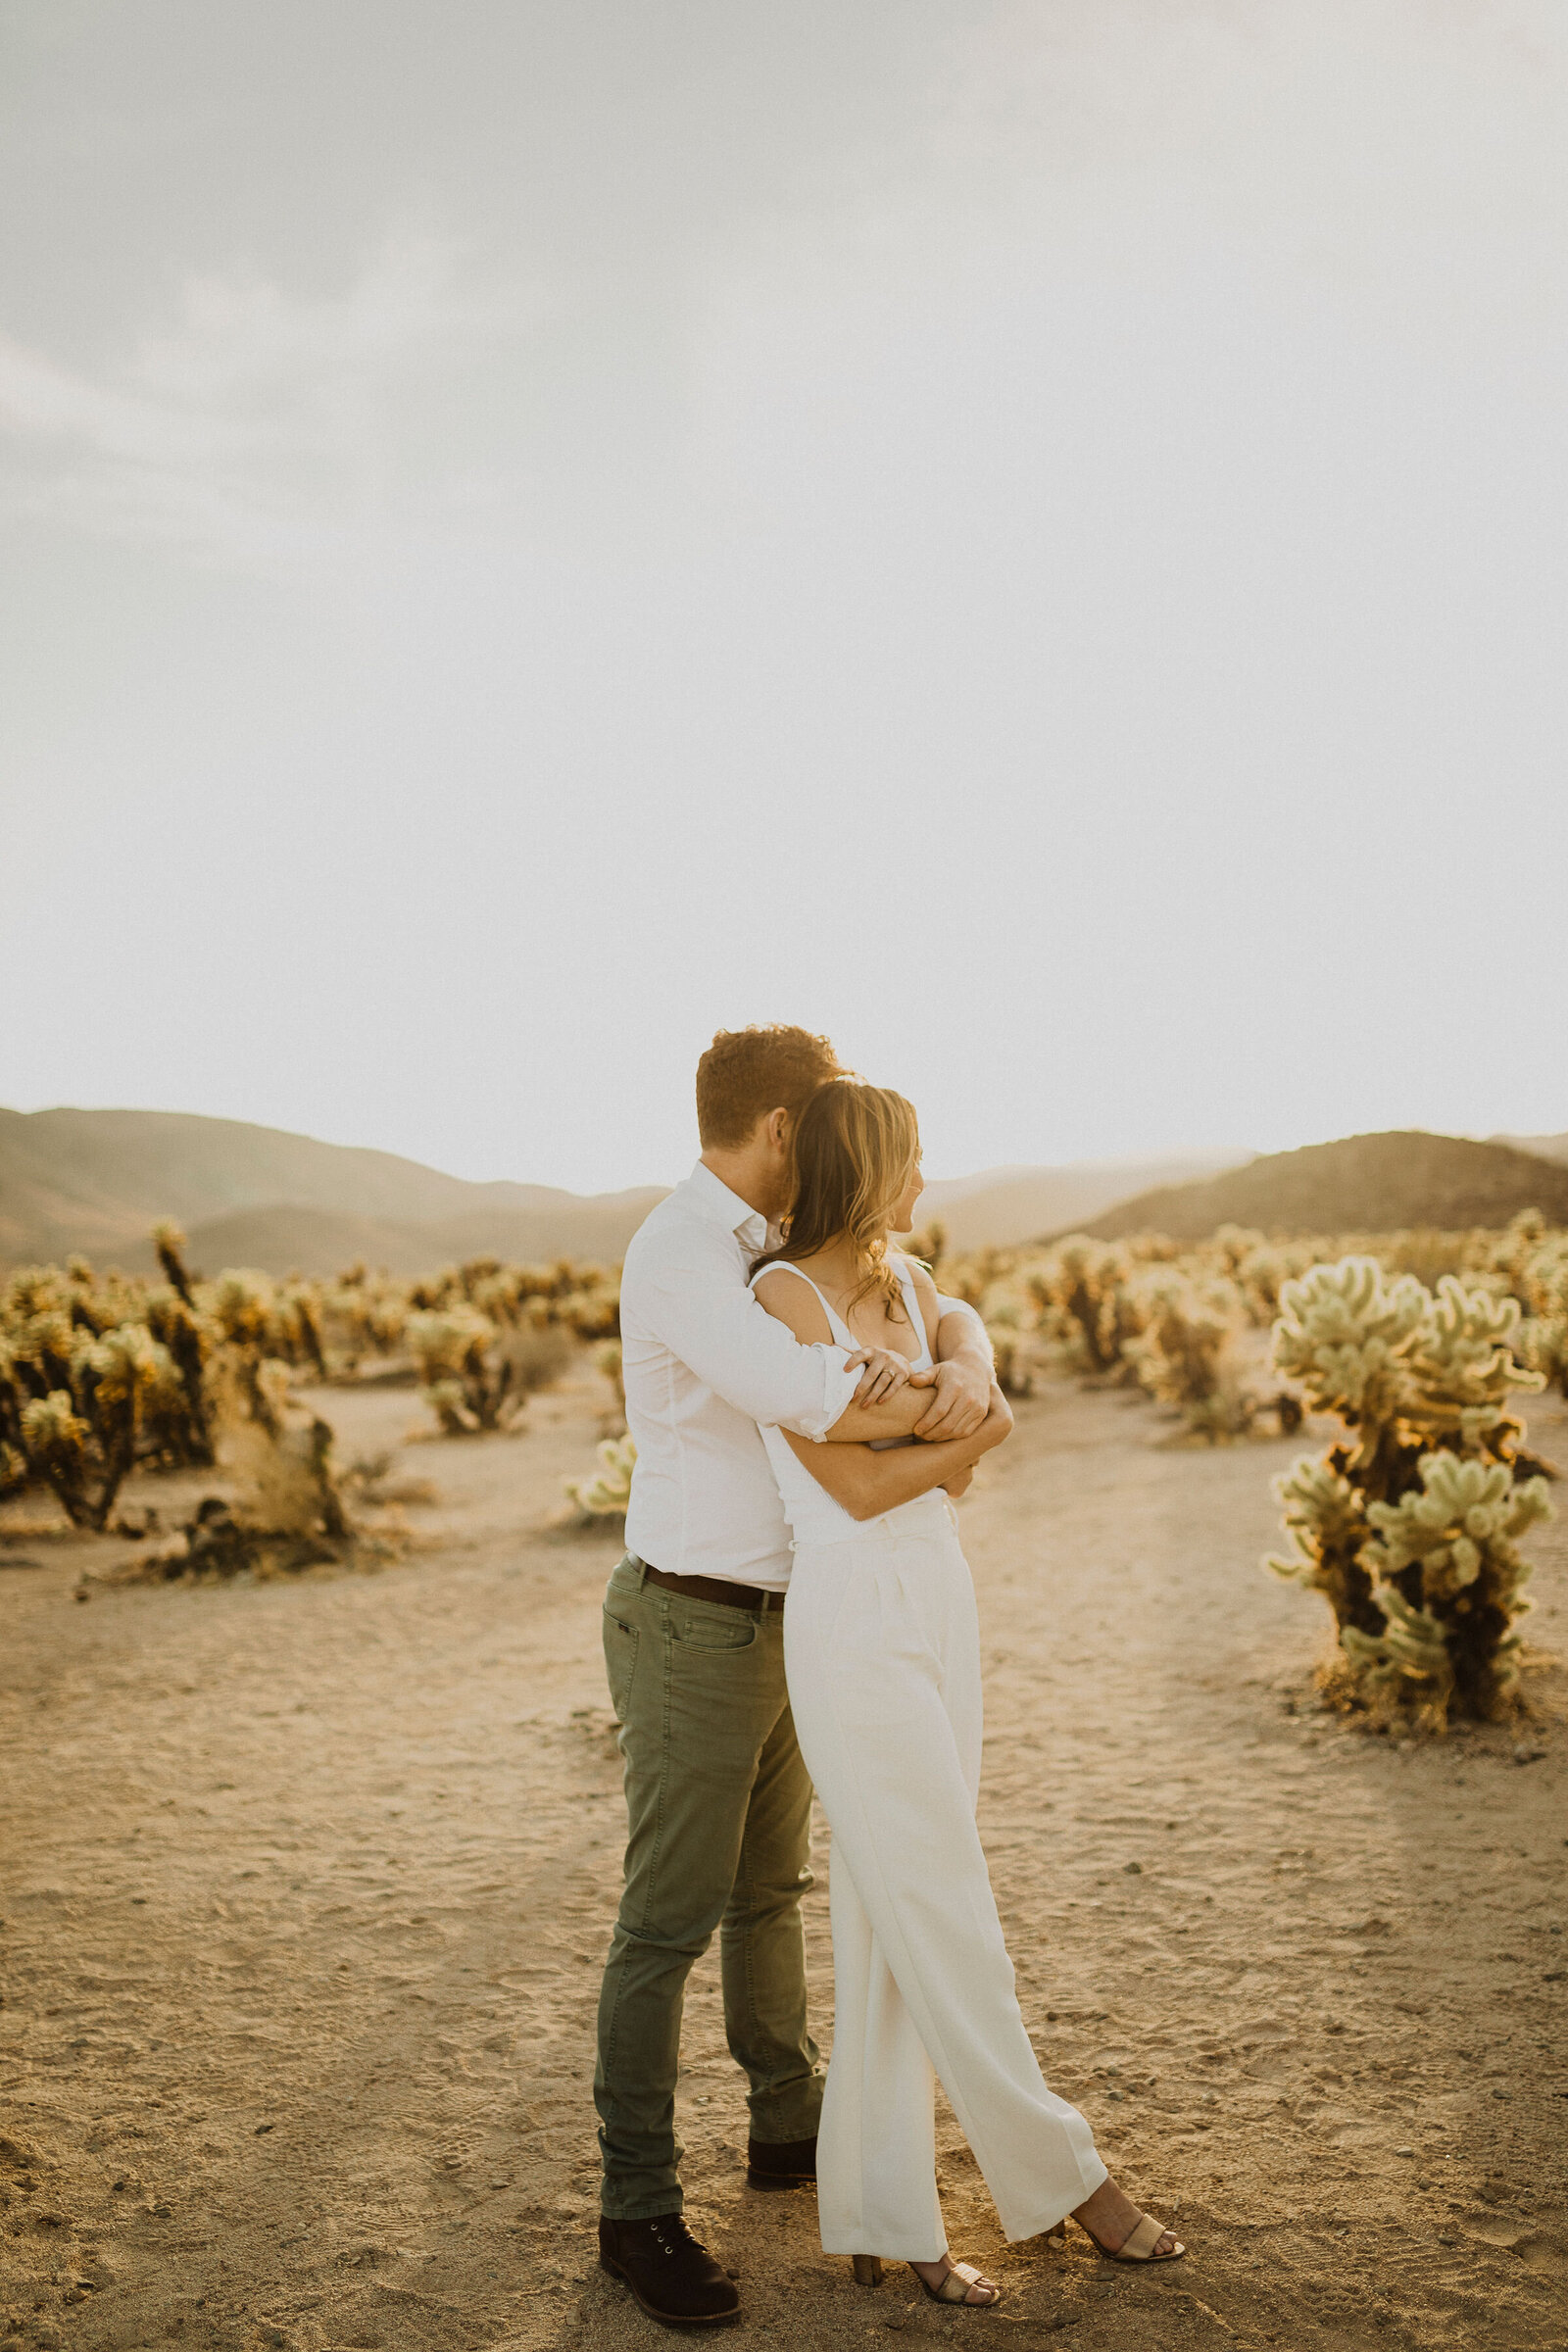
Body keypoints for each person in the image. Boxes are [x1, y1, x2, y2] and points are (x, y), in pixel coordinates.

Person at [749, 1080, 1186, 2309]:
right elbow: (858, 1488)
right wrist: (971, 1436)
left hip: (941, 1602)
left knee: (895, 1916)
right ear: (861, 1166)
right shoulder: (779, 1299)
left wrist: (953, 1395)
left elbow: (963, 1372)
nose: (925, 1181)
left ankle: (882, 2214)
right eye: (911, 1160)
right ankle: (1067, 2178)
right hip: (850, 1618)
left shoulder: (915, 1285)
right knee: (945, 1902)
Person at [596, 1027, 1006, 2329]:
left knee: (770, 1892)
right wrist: (952, 1404)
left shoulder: (786, 1249)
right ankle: (638, 2209)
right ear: (781, 1125)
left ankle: (787, 2126)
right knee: (668, 1916)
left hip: (796, 1618)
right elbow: (802, 1391)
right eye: (818, 1123)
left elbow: (934, 1303)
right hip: (695, 1622)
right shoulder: (678, 1251)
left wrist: (962, 1361)